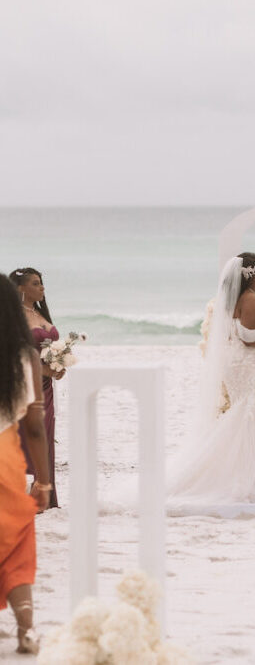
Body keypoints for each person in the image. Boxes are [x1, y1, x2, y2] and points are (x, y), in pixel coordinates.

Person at [167, 253, 255, 505]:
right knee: (247, 418)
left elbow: (242, 331)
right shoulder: (250, 299)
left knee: (246, 417)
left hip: (241, 365)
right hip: (248, 367)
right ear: (254, 272)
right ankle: (241, 480)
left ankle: (244, 475)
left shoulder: (241, 299)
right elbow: (247, 337)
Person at [0, 273, 52, 654]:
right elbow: (34, 427)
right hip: (6, 456)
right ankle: (27, 628)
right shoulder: (25, 357)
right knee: (16, 542)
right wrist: (44, 484)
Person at [9, 267, 62, 508]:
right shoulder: (14, 317)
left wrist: (60, 364)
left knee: (46, 436)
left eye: (41, 283)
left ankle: (43, 493)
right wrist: (45, 369)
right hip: (27, 386)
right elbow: (15, 357)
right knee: (28, 436)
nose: (42, 287)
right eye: (35, 283)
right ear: (21, 288)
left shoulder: (39, 313)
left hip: (46, 387)